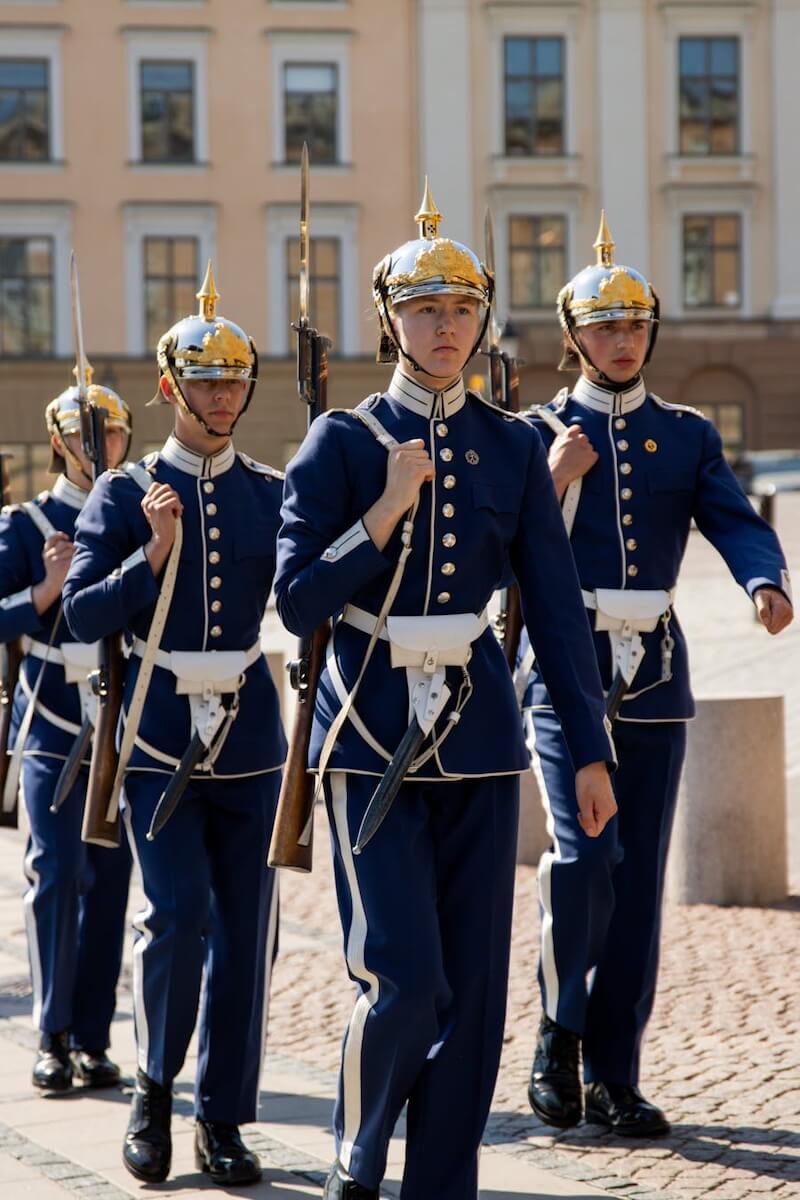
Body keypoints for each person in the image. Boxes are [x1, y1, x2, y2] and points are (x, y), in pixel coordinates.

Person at [273, 183, 617, 1200]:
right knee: (403, 979)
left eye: (461, 310)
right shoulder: (338, 442)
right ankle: (358, 1136)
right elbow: (297, 603)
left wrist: (588, 753)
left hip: (477, 737)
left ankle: (441, 1186)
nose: (444, 329)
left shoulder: (512, 446)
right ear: (388, 320)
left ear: (483, 320)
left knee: (471, 994)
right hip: (366, 729)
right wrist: (381, 510)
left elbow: (553, 613)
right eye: (424, 310)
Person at [521, 214, 793, 1137]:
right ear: (574, 338)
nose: (623, 341)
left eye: (636, 326)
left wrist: (765, 577)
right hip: (565, 671)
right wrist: (554, 480)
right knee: (587, 857)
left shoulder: (685, 434)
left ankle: (614, 1073)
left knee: (636, 889)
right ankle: (557, 1031)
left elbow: (735, 519)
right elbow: (505, 555)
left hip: (657, 676)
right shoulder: (535, 433)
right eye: (605, 328)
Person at [62, 265, 286, 1186]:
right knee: (178, 920)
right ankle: (155, 1089)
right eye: (206, 380)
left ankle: (223, 1116)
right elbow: (79, 615)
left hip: (249, 735)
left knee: (248, 930)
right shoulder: (123, 491)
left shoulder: (270, 489)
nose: (223, 395)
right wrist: (152, 557)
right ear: (170, 387)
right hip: (156, 738)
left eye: (235, 380)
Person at [0, 374, 133, 1093]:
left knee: (110, 880)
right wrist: (44, 592)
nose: (104, 445)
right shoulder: (25, 523)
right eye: (91, 435)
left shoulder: (129, 514)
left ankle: (92, 1034)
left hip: (115, 717)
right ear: (59, 444)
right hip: (52, 714)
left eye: (113, 433)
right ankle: (50, 1032)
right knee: (56, 873)